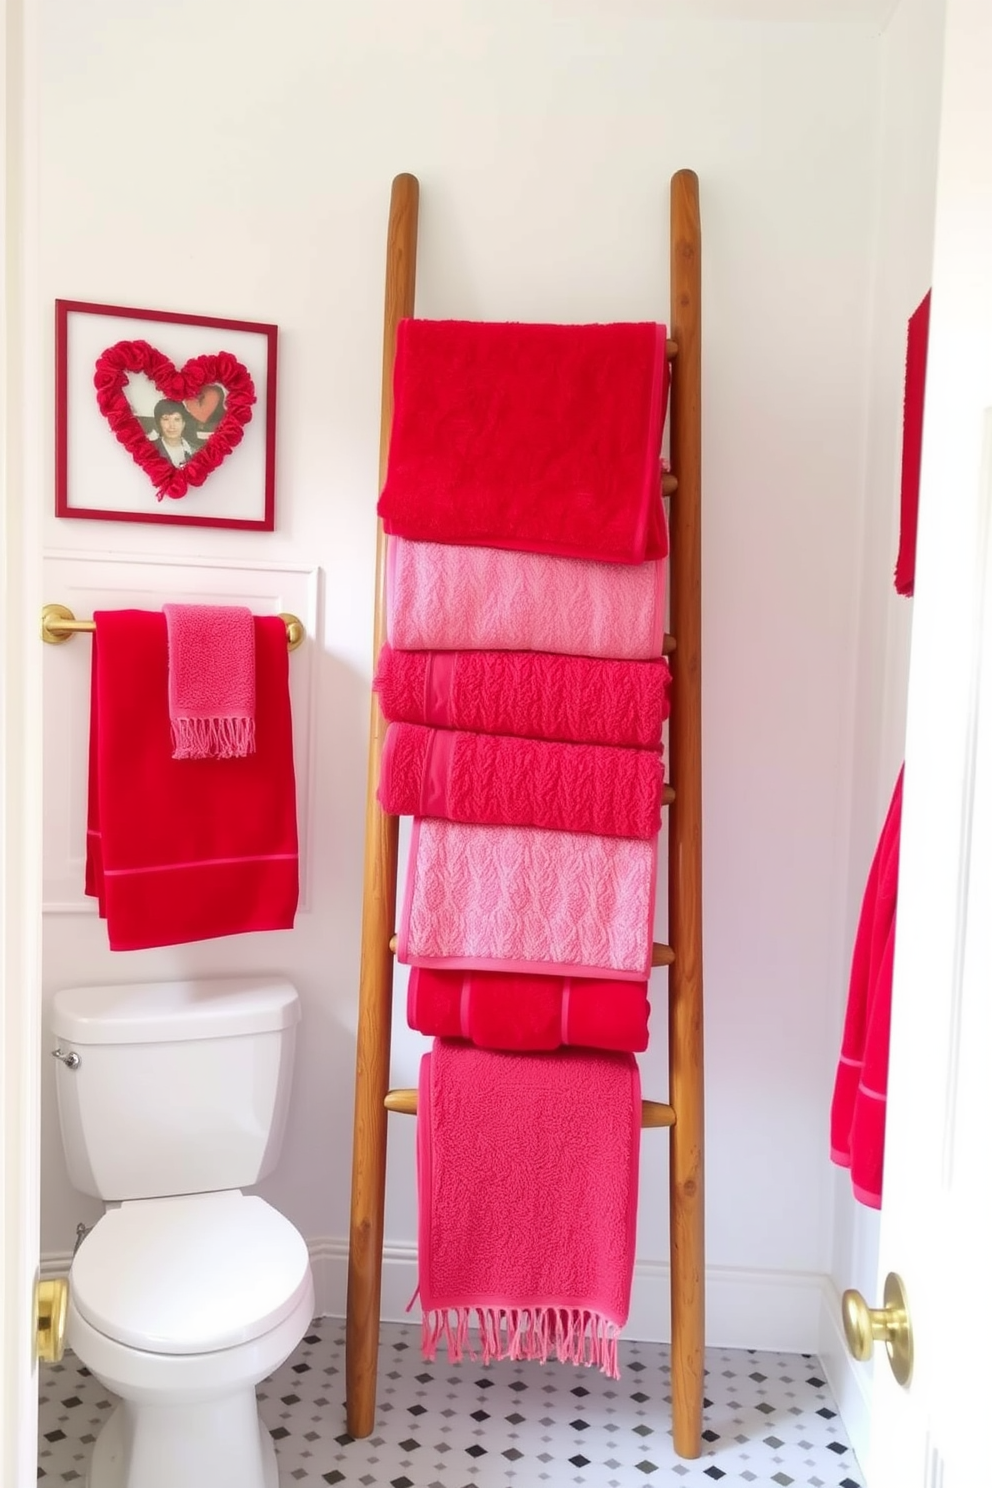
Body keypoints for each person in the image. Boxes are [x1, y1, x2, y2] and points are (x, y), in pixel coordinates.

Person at [149, 398, 196, 467]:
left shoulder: (195, 451)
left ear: (183, 423)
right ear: (159, 423)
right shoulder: (150, 449)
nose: (172, 425)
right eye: (166, 419)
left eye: (177, 419)